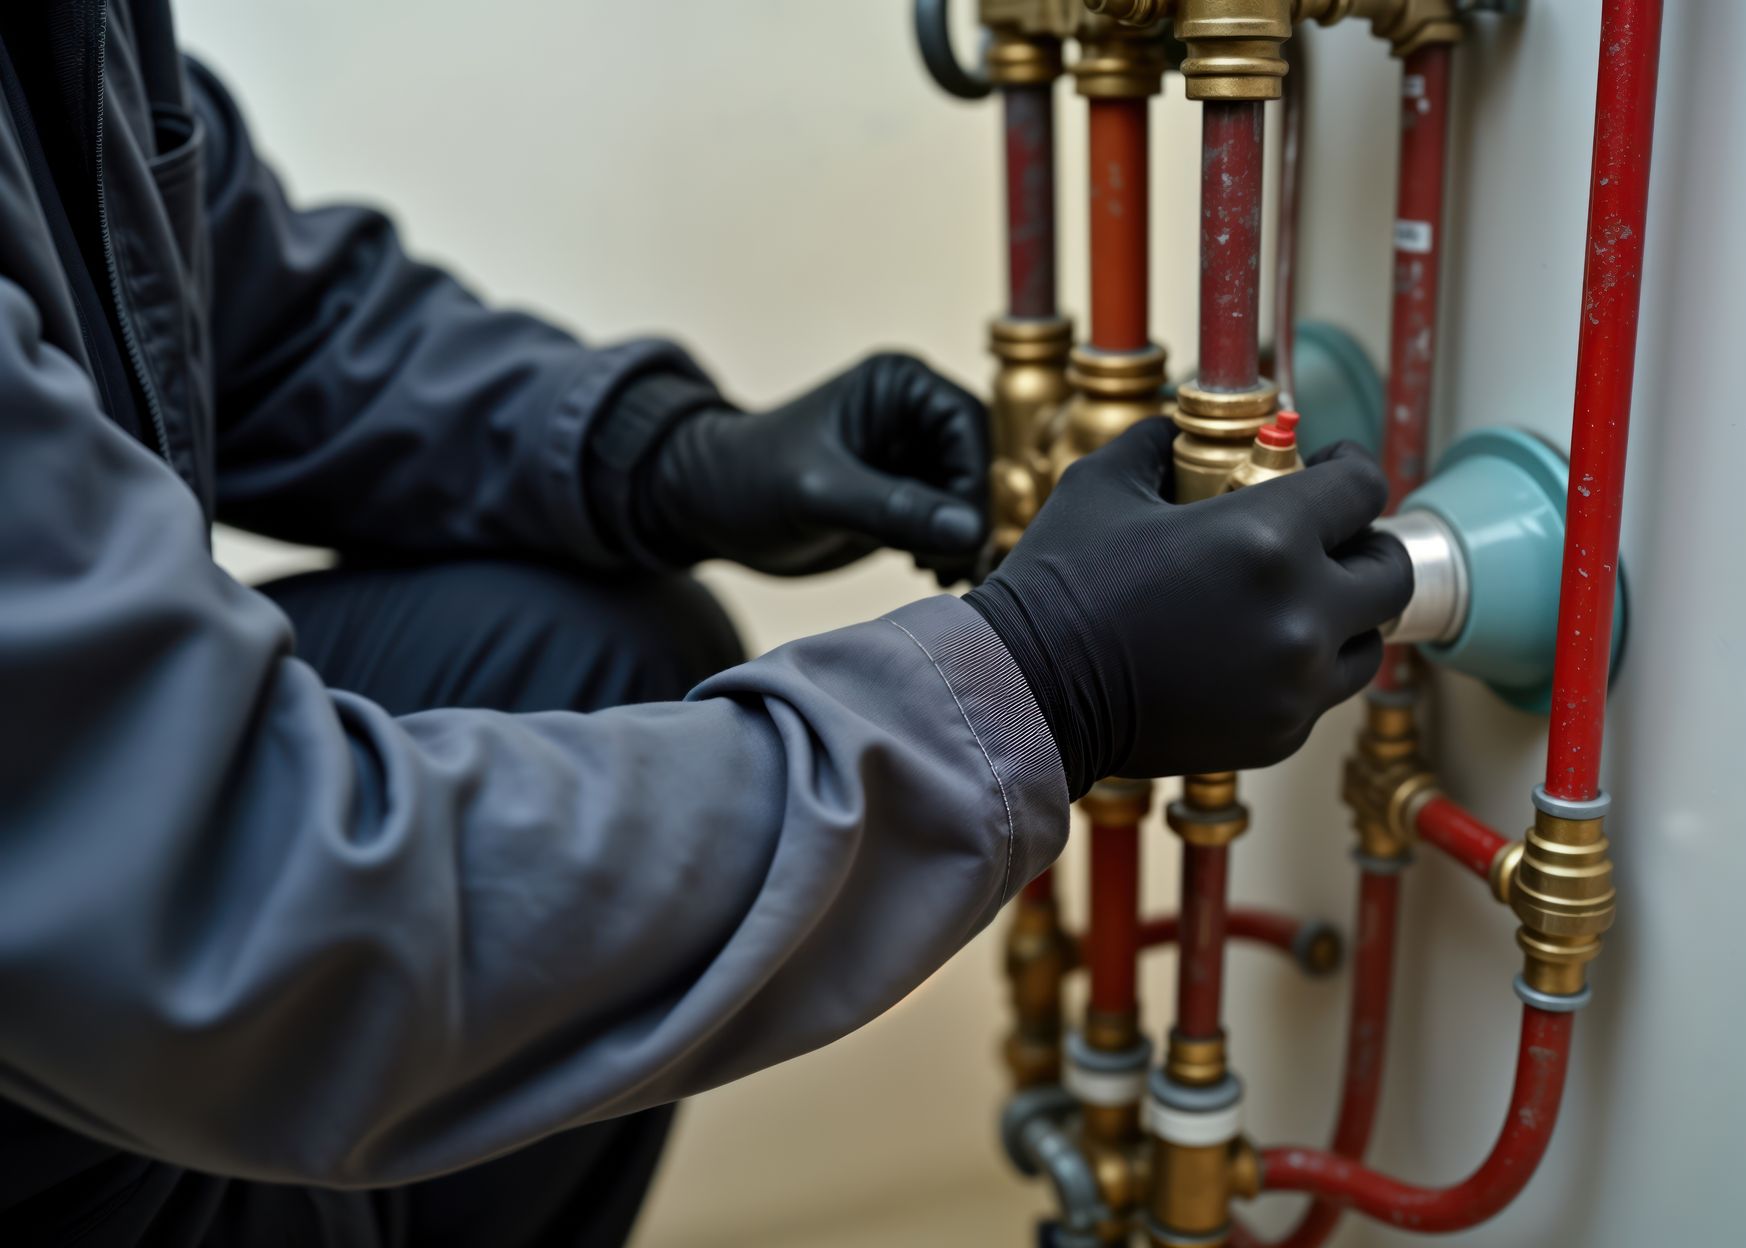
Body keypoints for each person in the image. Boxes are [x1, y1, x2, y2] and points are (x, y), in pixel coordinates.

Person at [0, 2, 1412, 1245]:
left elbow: (242, 310)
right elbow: (250, 890)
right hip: (113, 1015)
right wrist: (1047, 683)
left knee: (583, 654)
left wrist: (653, 454)